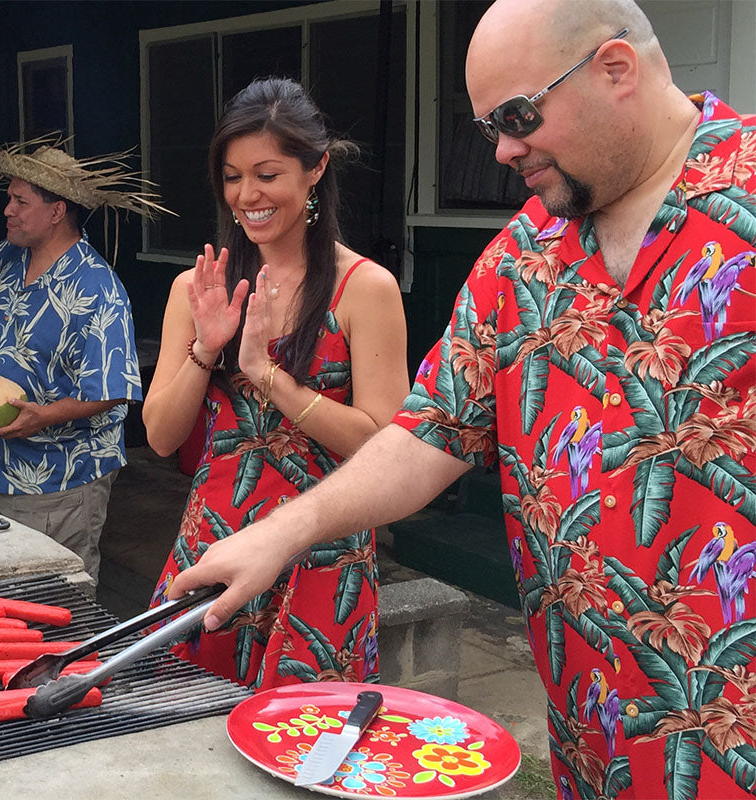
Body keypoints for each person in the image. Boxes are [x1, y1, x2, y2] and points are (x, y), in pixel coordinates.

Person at [172, 1, 754, 796]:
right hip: (592, 740)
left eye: (519, 115)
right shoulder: (519, 258)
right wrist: (284, 531)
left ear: (616, 69)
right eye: (488, 129)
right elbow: (423, 437)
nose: (506, 149)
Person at [142, 77, 409, 689]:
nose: (247, 195)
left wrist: (267, 375)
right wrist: (208, 348)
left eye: (267, 174)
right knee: (188, 737)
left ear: (314, 169)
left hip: (321, 557)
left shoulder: (364, 289)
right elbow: (159, 436)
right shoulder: (198, 287)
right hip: (213, 539)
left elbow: (383, 447)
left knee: (303, 742)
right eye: (232, 177)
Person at [0, 139, 167, 590]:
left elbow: (113, 388)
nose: (8, 211)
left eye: (21, 201)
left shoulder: (97, 286)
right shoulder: (3, 257)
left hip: (59, 477)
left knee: (57, 597)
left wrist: (44, 416)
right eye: (9, 199)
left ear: (57, 211)